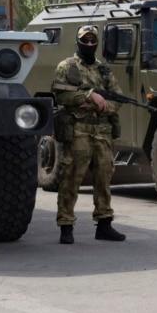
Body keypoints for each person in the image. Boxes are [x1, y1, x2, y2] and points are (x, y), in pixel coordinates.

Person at [51, 25, 126, 244]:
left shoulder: (103, 70)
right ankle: (66, 225)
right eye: (86, 40)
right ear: (78, 41)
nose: (90, 44)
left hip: (101, 131)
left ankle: (104, 224)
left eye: (94, 40)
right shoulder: (67, 66)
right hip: (77, 129)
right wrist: (89, 97)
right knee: (71, 177)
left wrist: (104, 106)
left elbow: (118, 98)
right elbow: (60, 94)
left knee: (104, 177)